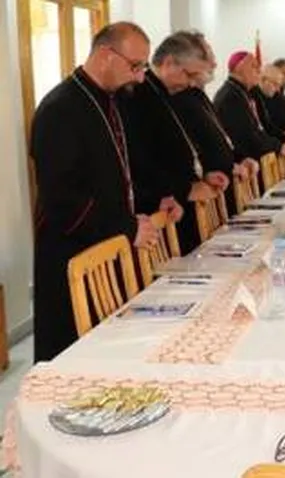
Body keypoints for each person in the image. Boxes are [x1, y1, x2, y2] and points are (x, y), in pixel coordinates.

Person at [30, 22, 162, 362]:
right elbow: (62, 200)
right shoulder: (59, 109)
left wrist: (139, 212)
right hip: (71, 253)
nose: (140, 77)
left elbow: (115, 175)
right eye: (135, 66)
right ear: (106, 55)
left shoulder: (108, 100)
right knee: (73, 356)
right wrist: (126, 227)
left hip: (105, 241)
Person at [128, 31, 219, 253]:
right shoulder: (139, 97)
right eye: (189, 75)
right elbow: (142, 162)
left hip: (179, 204)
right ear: (169, 63)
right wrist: (184, 188)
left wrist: (202, 175)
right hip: (160, 210)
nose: (191, 84)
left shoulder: (167, 94)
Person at [172, 32, 253, 216]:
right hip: (200, 196)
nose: (214, 64)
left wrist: (238, 159)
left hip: (220, 184)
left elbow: (222, 138)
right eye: (208, 58)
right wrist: (219, 169)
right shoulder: (180, 98)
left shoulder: (199, 95)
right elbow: (193, 149)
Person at [214, 51, 285, 187]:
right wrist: (277, 146)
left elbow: (259, 127)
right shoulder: (231, 96)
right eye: (254, 66)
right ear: (239, 68)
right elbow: (247, 136)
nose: (259, 71)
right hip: (244, 168)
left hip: (252, 165)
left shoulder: (242, 93)